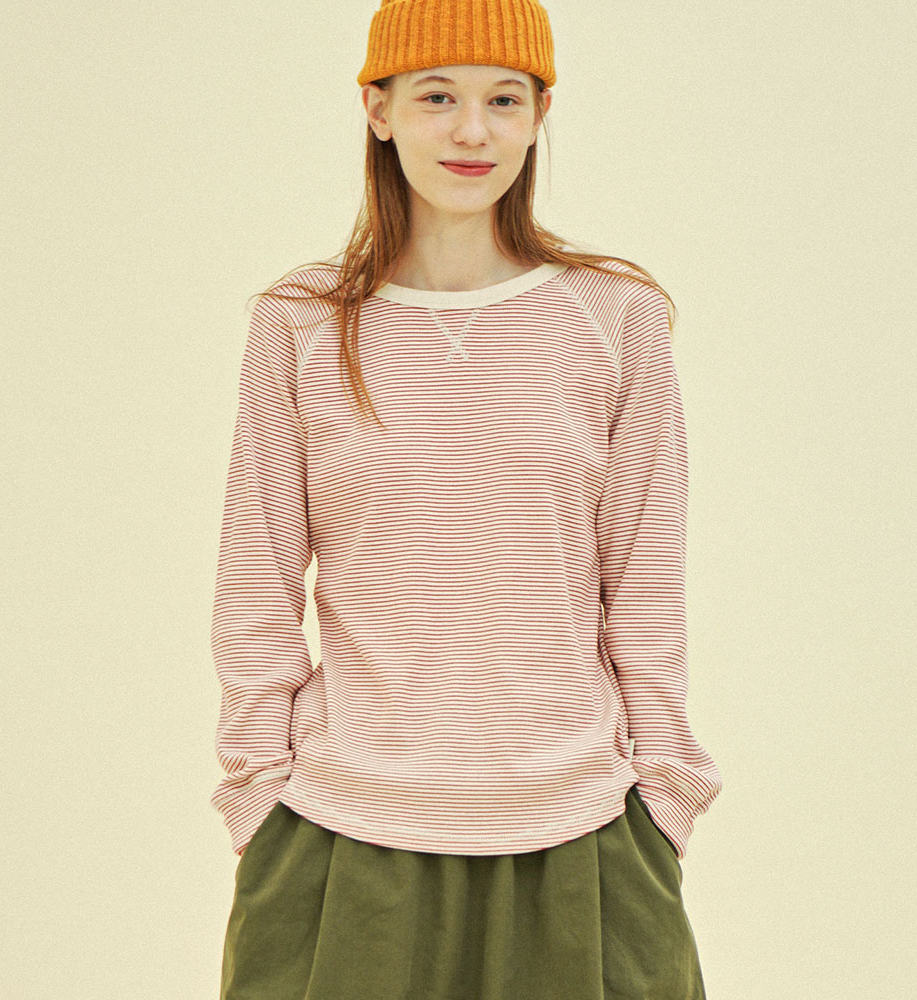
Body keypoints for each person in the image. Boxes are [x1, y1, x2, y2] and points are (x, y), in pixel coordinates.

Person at [210, 1, 723, 997]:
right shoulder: (300, 323)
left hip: (579, 828)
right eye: (438, 96)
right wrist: (256, 790)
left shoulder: (616, 319)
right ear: (379, 109)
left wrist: (664, 793)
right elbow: (256, 580)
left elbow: (645, 585)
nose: (473, 130)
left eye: (505, 99)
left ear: (539, 115)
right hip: (343, 830)